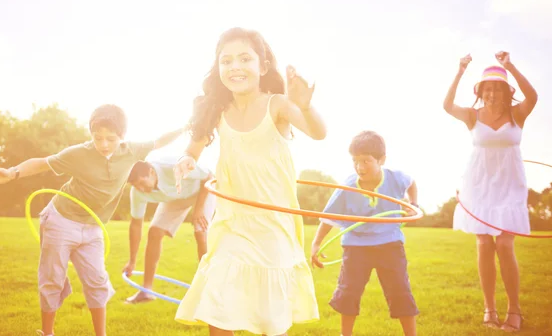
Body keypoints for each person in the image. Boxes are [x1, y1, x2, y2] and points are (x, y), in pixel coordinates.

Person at [172, 27, 326, 336]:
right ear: (218, 69)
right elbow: (193, 148)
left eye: (245, 59)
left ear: (263, 66)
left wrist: (306, 106)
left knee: (270, 316)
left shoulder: (278, 105)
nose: (235, 67)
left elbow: (318, 132)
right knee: (219, 297)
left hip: (273, 223)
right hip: (232, 221)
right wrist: (187, 159)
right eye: (226, 61)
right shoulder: (217, 110)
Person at [0, 104, 183, 336]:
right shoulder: (78, 154)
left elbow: (159, 141)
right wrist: (12, 172)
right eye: (98, 138)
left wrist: (189, 126)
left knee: (97, 280)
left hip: (93, 226)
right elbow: (43, 163)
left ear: (122, 136)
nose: (104, 144)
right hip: (61, 220)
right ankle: (47, 333)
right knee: (52, 279)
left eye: (111, 139)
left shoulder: (132, 151)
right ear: (91, 134)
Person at [443, 52, 538, 332]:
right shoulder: (473, 116)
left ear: (507, 91)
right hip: (479, 184)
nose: (492, 91)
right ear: (481, 91)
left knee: (505, 246)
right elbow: (447, 105)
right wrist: (460, 71)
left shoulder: (517, 114)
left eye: (498, 86)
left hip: (509, 185)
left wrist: (510, 66)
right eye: (488, 87)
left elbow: (533, 96)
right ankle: (490, 309)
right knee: (484, 246)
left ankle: (514, 310)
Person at [311, 130, 419, 336]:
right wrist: (316, 243)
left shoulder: (396, 178)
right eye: (355, 161)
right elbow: (329, 217)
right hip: (356, 247)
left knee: (400, 292)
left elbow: (412, 182)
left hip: (390, 244)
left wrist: (413, 204)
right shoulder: (347, 186)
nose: (360, 167)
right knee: (348, 293)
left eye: (366, 161)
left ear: (381, 160)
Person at [122, 158, 216, 304]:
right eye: (135, 185)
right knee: (154, 232)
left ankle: (210, 291)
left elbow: (208, 177)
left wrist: (198, 209)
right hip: (178, 196)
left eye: (141, 183)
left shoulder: (173, 167)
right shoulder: (137, 193)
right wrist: (132, 261)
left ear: (152, 172)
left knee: (200, 232)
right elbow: (136, 225)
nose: (140, 188)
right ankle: (146, 291)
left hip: (204, 188)